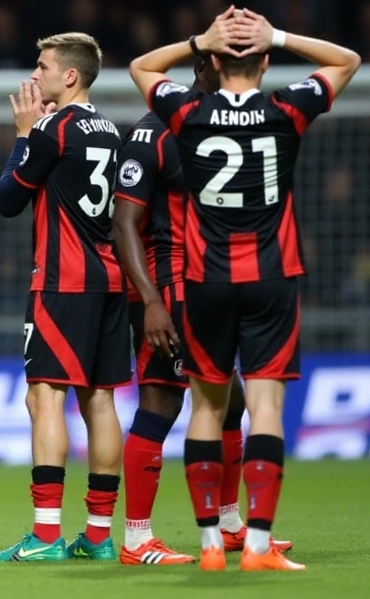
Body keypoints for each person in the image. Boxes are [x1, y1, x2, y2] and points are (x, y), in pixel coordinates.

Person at [129, 7, 360, 571]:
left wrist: (199, 38)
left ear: (210, 61)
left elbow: (139, 66)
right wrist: (276, 35)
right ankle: (256, 543)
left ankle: (210, 544)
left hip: (204, 281)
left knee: (207, 407)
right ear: (264, 63)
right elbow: (346, 60)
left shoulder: (184, 113)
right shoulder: (286, 109)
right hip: (271, 278)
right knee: (262, 406)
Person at [112, 55, 292, 565]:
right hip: (167, 289)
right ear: (204, 66)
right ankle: (136, 537)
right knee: (162, 403)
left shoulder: (210, 127)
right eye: (231, 65)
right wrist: (150, 302)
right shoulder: (153, 133)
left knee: (230, 403)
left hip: (208, 286)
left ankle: (231, 525)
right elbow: (123, 223)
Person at [0, 32, 129, 563]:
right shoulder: (112, 131)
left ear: (70, 76)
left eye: (43, 66)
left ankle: (46, 535)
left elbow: (7, 200)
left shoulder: (52, 129)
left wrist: (23, 135)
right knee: (100, 399)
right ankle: (97, 535)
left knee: (44, 395)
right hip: (109, 279)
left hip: (62, 281)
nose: (36, 75)